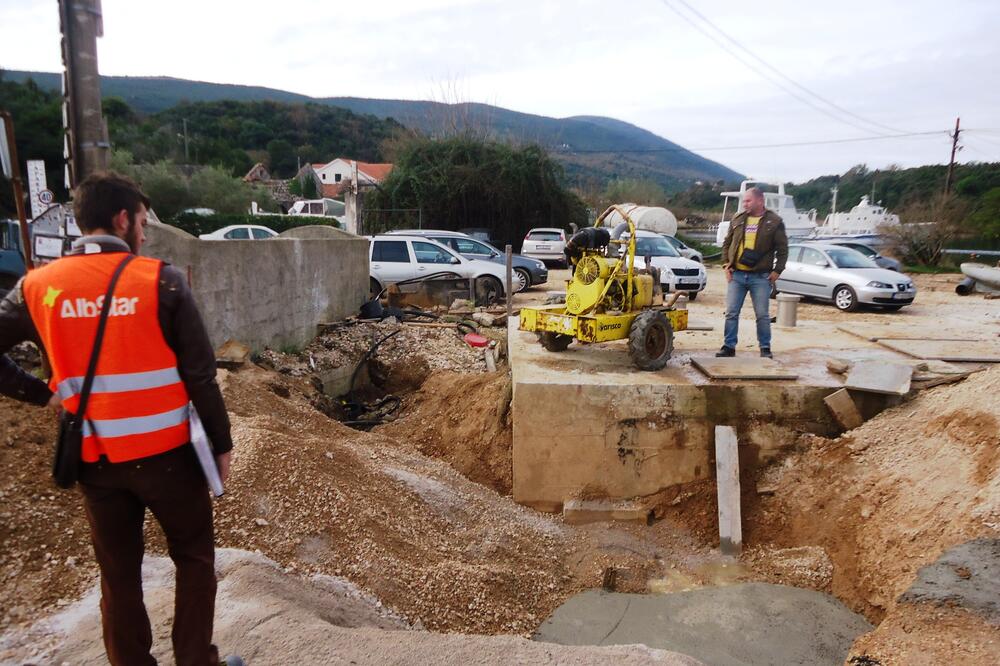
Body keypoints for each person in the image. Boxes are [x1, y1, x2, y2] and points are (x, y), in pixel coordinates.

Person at [0, 172, 242, 666]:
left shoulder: (38, 286)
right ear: (122, 219)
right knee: (194, 559)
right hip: (171, 458)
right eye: (142, 222)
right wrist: (221, 444)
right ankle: (197, 660)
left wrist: (39, 394)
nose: (146, 233)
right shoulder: (162, 282)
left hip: (96, 461)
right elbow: (201, 375)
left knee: (118, 574)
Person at [717, 187, 788, 358]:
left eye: (748, 200)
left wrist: (777, 271)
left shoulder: (774, 221)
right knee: (732, 312)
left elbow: (783, 249)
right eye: (744, 201)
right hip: (737, 275)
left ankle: (765, 348)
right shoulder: (738, 219)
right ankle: (729, 346)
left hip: (761, 276)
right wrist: (726, 264)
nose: (744, 204)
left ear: (760, 201)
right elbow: (727, 244)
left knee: (762, 314)